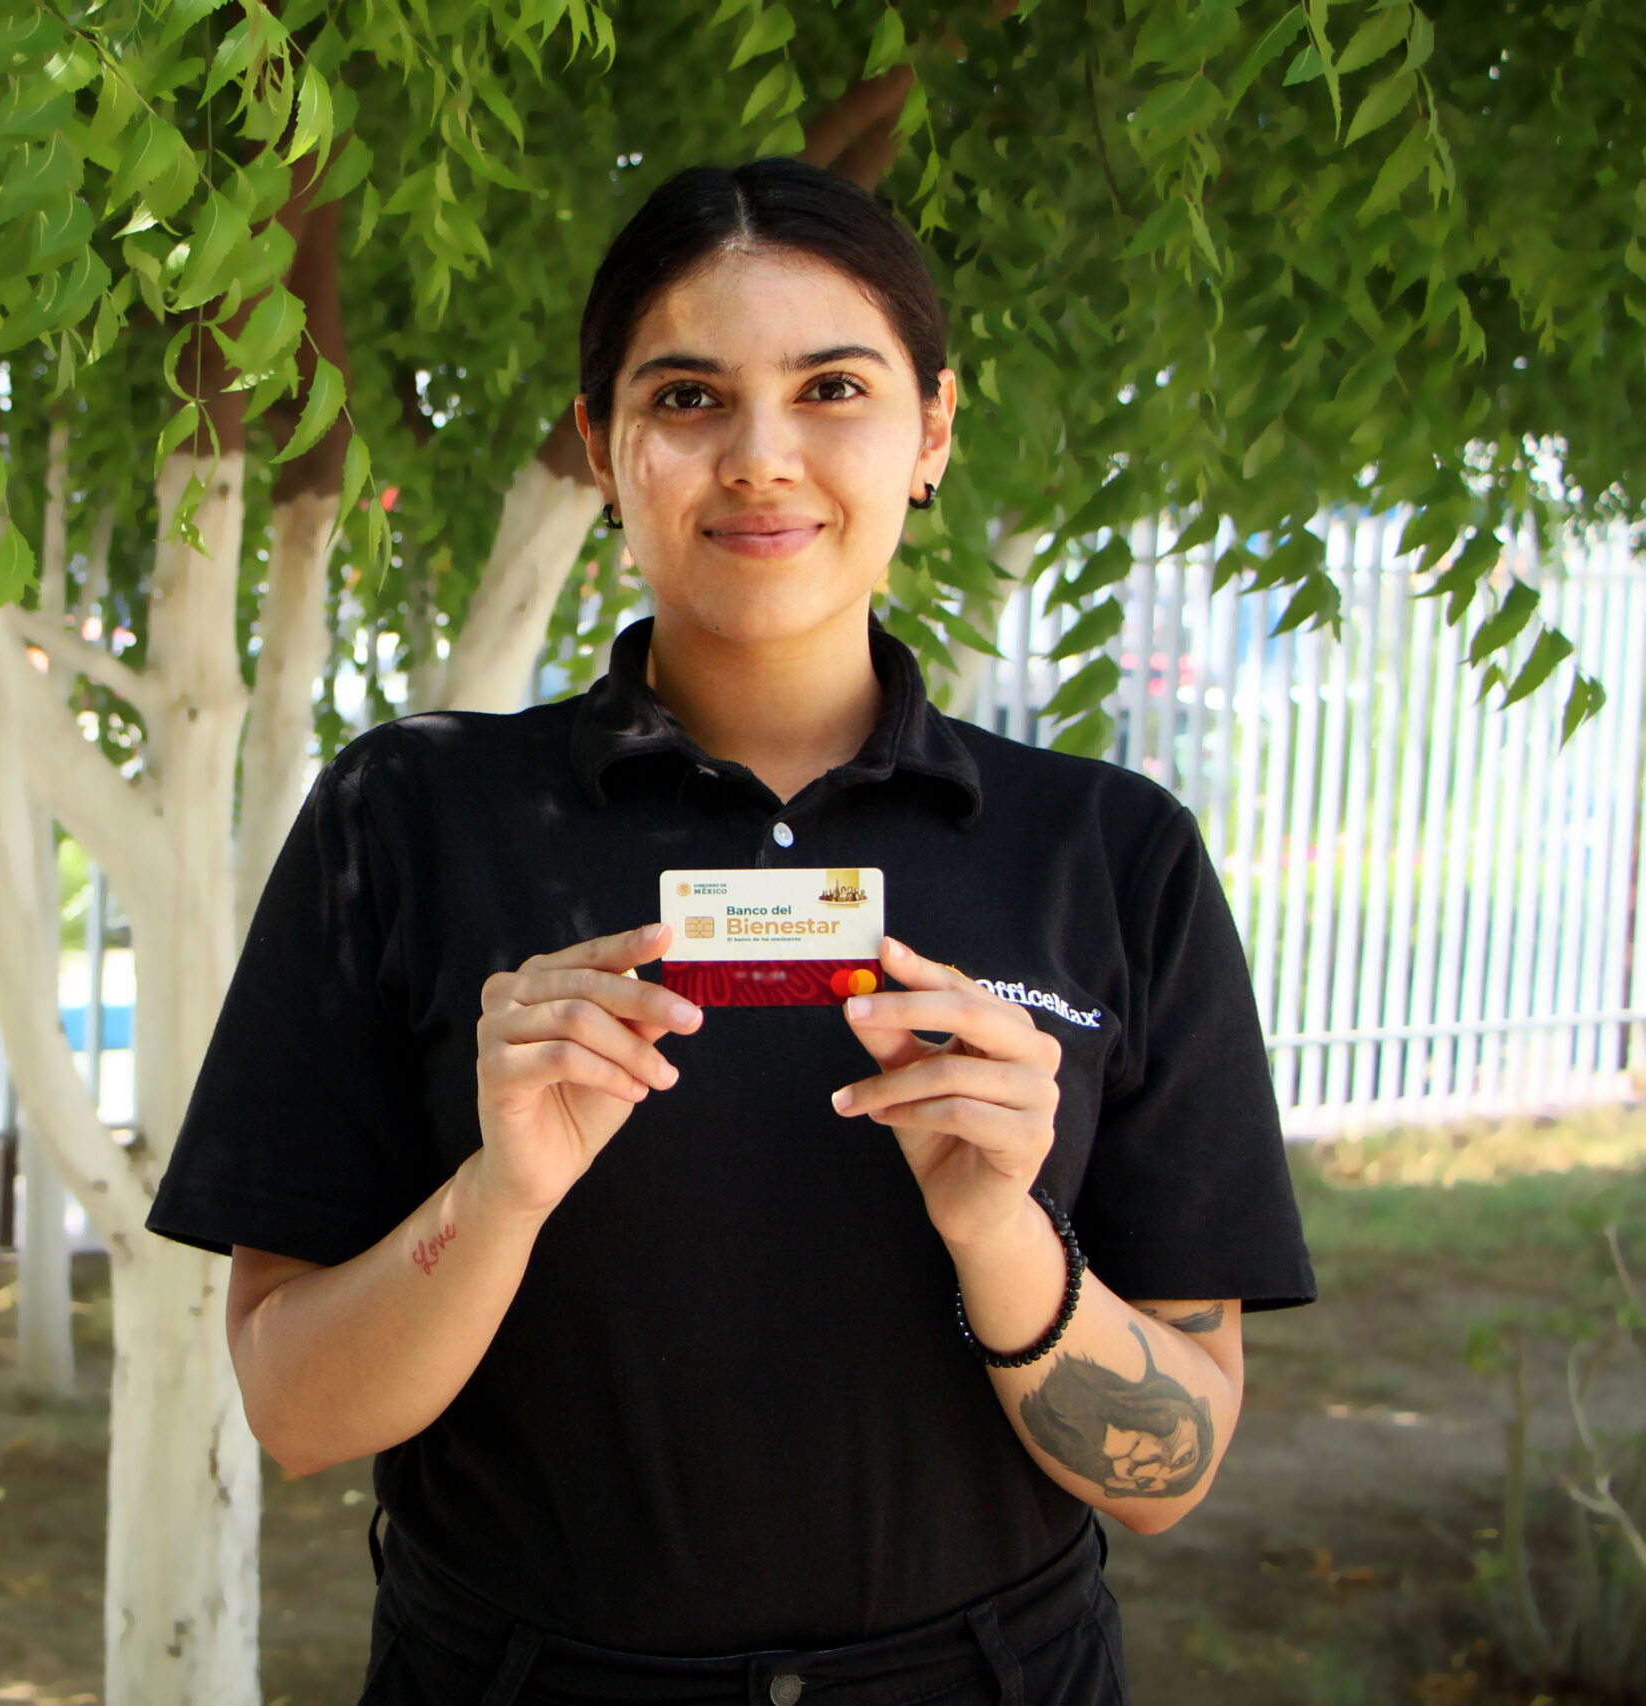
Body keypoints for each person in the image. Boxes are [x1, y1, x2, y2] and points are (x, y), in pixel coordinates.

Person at [148, 157, 1316, 1706]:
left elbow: (1165, 1472)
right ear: (600, 446)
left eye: (833, 386)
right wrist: (499, 1194)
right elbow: (294, 1412)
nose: (763, 458)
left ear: (933, 433)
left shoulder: (1106, 854)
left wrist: (999, 1231)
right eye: (689, 397)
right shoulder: (412, 817)